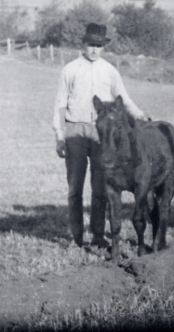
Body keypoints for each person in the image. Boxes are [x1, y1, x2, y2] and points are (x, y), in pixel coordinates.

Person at [52, 22, 149, 249]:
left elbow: (123, 99)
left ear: (103, 47)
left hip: (102, 136)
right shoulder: (70, 69)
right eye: (90, 45)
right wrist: (59, 135)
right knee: (75, 189)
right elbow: (59, 103)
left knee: (101, 188)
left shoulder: (109, 71)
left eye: (99, 46)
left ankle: (97, 235)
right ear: (83, 45)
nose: (94, 50)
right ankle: (76, 236)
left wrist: (141, 116)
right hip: (75, 131)